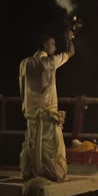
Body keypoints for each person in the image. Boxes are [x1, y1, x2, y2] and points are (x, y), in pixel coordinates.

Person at [19, 28, 75, 182]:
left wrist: (27, 107)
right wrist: (69, 38)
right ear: (45, 45)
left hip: (31, 113)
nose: (55, 48)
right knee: (50, 147)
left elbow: (22, 88)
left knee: (32, 142)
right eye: (53, 44)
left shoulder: (24, 63)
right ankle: (51, 173)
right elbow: (71, 53)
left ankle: (32, 171)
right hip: (47, 113)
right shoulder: (49, 62)